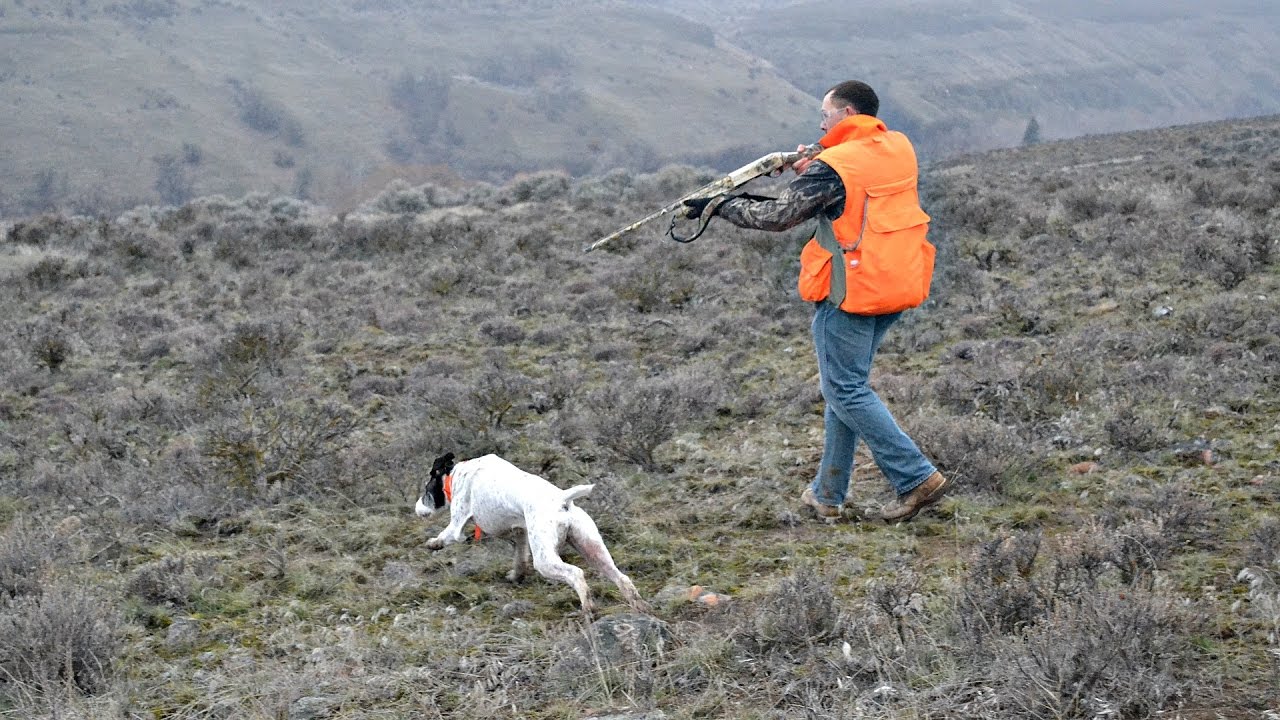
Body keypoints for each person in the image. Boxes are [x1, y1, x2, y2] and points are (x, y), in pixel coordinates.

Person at [683, 80, 950, 523]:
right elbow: (853, 191)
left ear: (845, 114)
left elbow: (777, 217)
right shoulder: (897, 146)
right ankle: (827, 494)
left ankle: (916, 477)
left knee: (844, 388)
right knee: (843, 388)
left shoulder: (836, 165)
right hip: (896, 283)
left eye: (825, 115)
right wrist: (815, 169)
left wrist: (718, 206)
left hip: (850, 290)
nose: (820, 123)